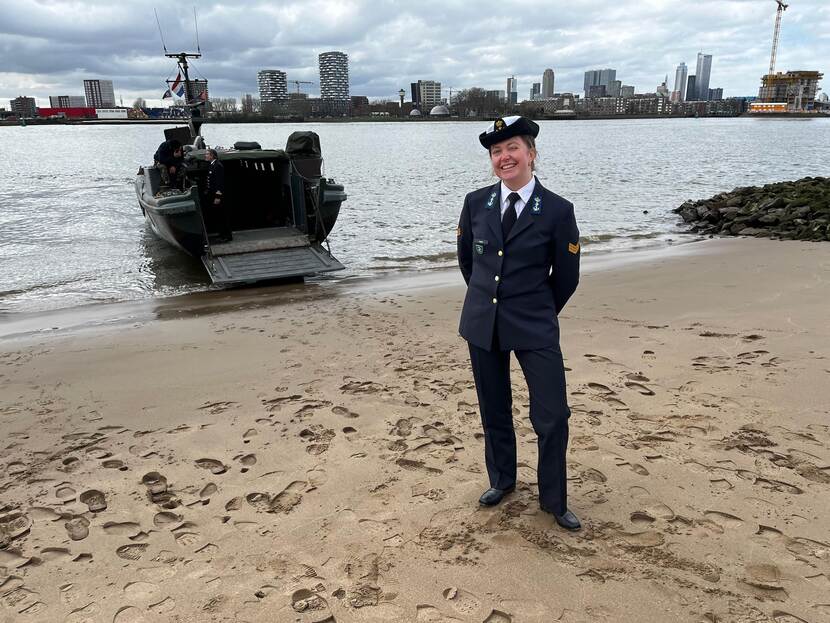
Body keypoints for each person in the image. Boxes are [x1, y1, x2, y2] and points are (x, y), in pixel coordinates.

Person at [456, 115, 582, 531]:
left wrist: (537, 309)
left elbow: (566, 276)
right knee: (494, 409)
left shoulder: (558, 210)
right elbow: (469, 263)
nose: (504, 157)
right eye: (496, 152)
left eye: (512, 148)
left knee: (552, 415)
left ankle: (553, 500)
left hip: (534, 324)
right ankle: (503, 481)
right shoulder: (477, 202)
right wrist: (488, 304)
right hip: (483, 323)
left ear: (531, 154)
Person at [205, 148, 232, 242]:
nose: (206, 156)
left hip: (218, 196)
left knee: (222, 216)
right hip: (213, 195)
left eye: (207, 154)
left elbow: (219, 183)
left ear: (212, 156)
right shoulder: (212, 165)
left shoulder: (218, 166)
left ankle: (227, 236)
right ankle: (222, 234)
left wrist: (218, 197)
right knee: (218, 216)